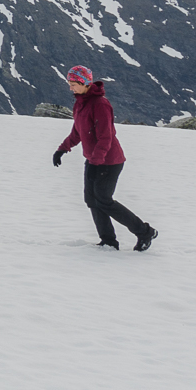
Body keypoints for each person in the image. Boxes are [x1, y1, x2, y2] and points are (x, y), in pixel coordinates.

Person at [53, 65, 156, 251]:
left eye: (73, 84)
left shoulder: (100, 105)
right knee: (91, 199)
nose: (70, 88)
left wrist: (95, 162)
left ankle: (145, 232)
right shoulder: (80, 103)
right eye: (69, 84)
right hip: (94, 159)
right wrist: (62, 149)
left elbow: (105, 137)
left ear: (84, 83)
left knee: (103, 199)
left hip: (109, 161)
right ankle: (108, 241)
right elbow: (78, 132)